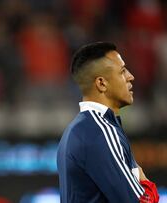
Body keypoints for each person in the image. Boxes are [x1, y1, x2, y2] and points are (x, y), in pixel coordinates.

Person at [57, 42, 159, 203]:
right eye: (123, 71)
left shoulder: (78, 129)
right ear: (101, 83)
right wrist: (144, 180)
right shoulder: (100, 132)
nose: (130, 76)